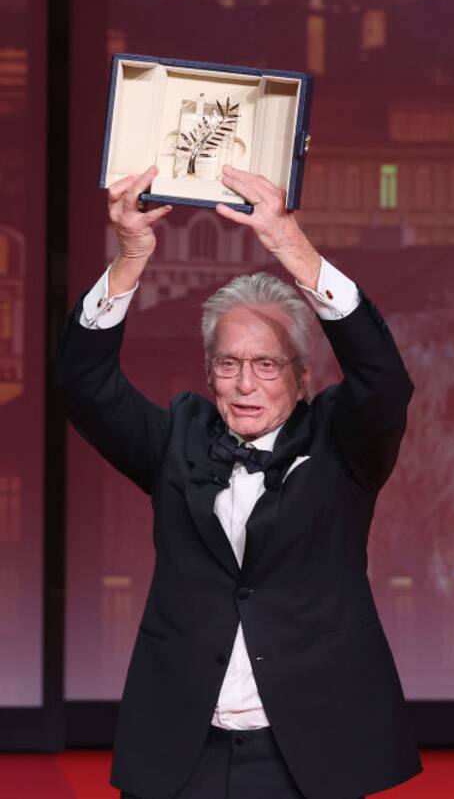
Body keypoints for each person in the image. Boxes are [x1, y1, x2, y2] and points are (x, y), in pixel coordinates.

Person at [56, 164, 423, 799]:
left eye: (266, 365)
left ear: (303, 376)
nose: (246, 384)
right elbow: (84, 387)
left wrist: (290, 245)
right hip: (181, 753)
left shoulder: (343, 448)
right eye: (229, 363)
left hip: (308, 757)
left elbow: (384, 381)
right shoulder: (178, 439)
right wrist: (130, 258)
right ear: (209, 372)